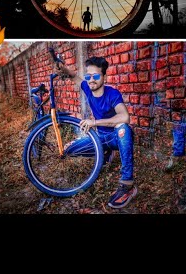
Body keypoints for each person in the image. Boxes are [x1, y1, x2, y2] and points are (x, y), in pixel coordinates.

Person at [56, 56, 137, 209]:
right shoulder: (87, 87)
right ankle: (106, 155)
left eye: (96, 76)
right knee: (69, 150)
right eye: (88, 76)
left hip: (114, 137)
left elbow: (125, 117)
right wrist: (63, 68)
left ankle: (128, 185)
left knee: (123, 129)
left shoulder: (112, 94)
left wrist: (94, 122)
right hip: (99, 138)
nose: (91, 80)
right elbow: (74, 76)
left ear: (103, 77)